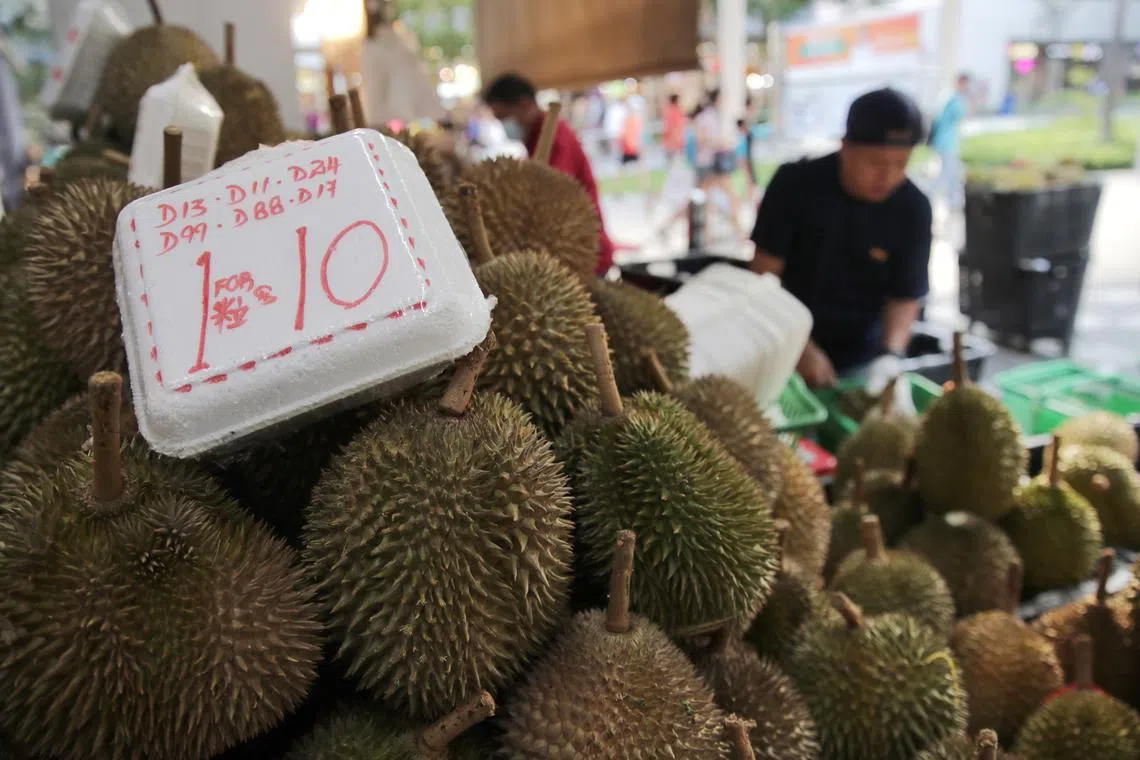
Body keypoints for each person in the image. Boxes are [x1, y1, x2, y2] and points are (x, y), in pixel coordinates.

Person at [749, 87, 933, 389]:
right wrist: (798, 345)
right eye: (875, 163)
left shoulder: (913, 207)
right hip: (783, 344)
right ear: (845, 147)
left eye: (900, 164)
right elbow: (762, 276)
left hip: (861, 357)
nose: (887, 177)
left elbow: (905, 295)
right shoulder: (794, 186)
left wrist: (890, 356)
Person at [482, 72, 615, 276]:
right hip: (570, 256)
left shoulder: (553, 137)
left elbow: (551, 193)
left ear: (524, 104)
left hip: (584, 253)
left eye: (504, 117)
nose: (504, 125)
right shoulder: (536, 138)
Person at [929, 73, 971, 215]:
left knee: (950, 174)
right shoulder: (954, 99)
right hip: (946, 143)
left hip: (945, 142)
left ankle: (954, 203)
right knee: (946, 175)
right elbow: (960, 116)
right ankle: (935, 198)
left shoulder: (948, 97)